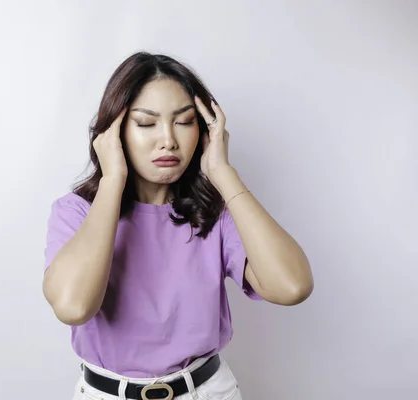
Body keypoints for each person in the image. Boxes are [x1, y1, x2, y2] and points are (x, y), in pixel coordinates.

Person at [42, 52, 314, 400]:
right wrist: (112, 180)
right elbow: (73, 307)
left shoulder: (215, 213)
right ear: (114, 133)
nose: (168, 140)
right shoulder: (76, 213)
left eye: (184, 121)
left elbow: (292, 286)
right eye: (146, 123)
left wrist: (223, 174)